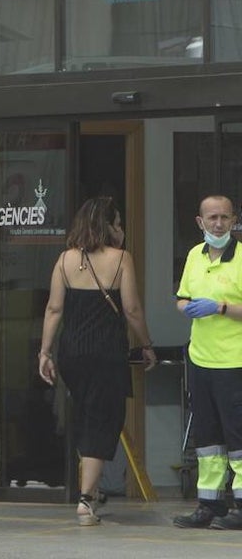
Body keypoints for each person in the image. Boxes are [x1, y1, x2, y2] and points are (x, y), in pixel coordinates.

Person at [37, 196, 156, 526]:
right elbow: (131, 309)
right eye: (117, 224)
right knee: (102, 420)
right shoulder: (121, 259)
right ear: (107, 227)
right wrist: (146, 344)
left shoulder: (65, 260)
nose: (121, 230)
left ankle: (89, 491)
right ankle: (86, 500)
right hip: (107, 353)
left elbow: (54, 309)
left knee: (86, 415)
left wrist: (45, 352)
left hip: (72, 352)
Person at [171, 194, 242, 530]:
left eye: (224, 218)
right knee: (208, 437)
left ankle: (241, 506)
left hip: (235, 360)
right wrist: (189, 308)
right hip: (201, 359)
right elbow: (182, 300)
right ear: (200, 222)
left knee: (238, 436)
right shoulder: (194, 257)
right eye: (211, 218)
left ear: (234, 220)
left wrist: (221, 307)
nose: (218, 223)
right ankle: (209, 504)